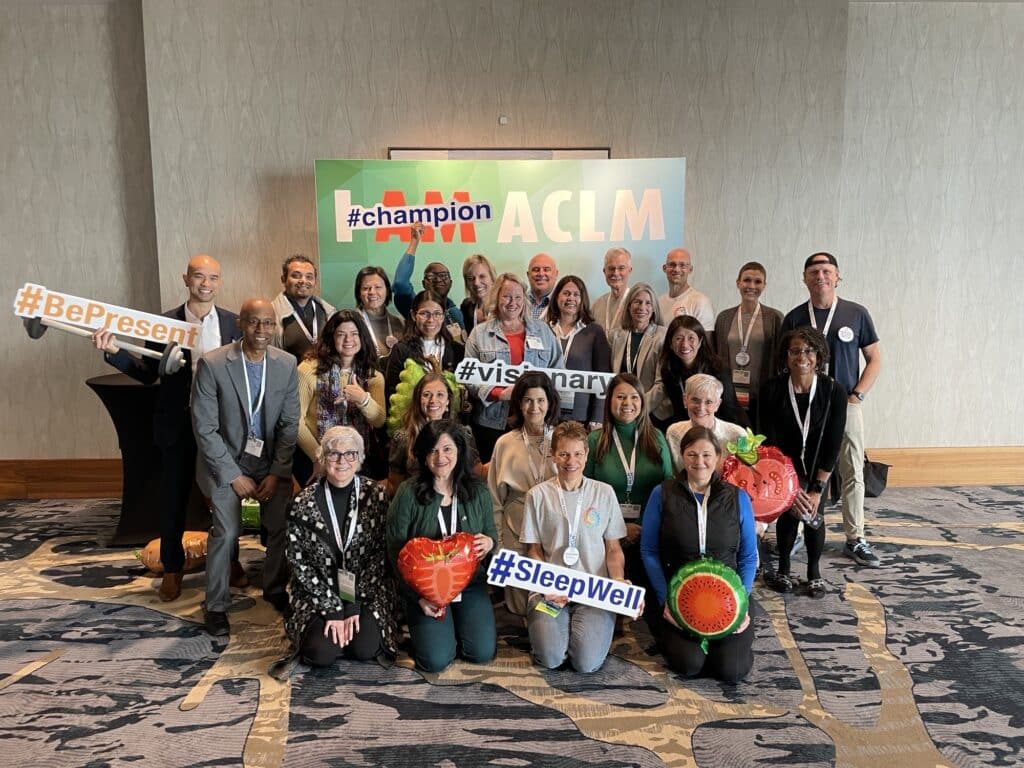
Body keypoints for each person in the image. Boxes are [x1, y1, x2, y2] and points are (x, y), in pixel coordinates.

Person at [91, 254, 243, 602]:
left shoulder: (234, 323)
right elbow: (148, 373)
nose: (207, 284)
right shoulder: (161, 324)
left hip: (221, 428)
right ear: (186, 278)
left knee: (225, 498)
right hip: (177, 424)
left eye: (214, 278)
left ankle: (232, 562)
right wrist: (114, 351)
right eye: (199, 276)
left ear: (220, 282)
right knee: (173, 498)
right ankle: (172, 569)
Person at [191, 298, 299, 636]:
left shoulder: (286, 363)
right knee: (226, 532)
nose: (262, 330)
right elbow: (204, 428)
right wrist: (232, 474)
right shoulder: (213, 364)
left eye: (268, 323)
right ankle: (217, 605)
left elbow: (289, 424)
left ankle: (275, 588)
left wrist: (277, 472)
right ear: (240, 323)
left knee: (281, 525)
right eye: (254, 322)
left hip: (269, 464)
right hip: (225, 462)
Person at [781, 252, 882, 568]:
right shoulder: (795, 317)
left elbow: (875, 359)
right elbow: (785, 362)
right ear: (804, 278)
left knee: (852, 468)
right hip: (806, 406)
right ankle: (797, 531)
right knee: (801, 469)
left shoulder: (856, 314)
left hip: (845, 403)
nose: (820, 276)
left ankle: (856, 538)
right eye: (813, 271)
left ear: (837, 276)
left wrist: (857, 396)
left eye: (826, 271)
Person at [641, 426, 757, 682]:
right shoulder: (662, 493)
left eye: (706, 455)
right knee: (689, 665)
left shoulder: (737, 498)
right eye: (692, 455)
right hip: (678, 597)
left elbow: (749, 556)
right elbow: (649, 551)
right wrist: (665, 600)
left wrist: (742, 601)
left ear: (718, 457)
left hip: (728, 598)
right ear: (682, 456)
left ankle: (724, 646)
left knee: (732, 670)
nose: (699, 462)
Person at [387, 421, 497, 673]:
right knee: (435, 661)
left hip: (468, 585)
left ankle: (457, 626)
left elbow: (491, 534)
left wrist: (489, 543)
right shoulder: (407, 493)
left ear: (459, 452)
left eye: (447, 449)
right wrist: (417, 598)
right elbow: (394, 551)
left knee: (481, 653)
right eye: (433, 451)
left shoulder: (478, 491)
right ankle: (436, 633)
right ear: (424, 456)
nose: (441, 457)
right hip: (424, 591)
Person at [520, 421, 628, 673]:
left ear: (586, 455)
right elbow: (533, 550)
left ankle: (583, 630)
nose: (571, 461)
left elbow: (613, 548)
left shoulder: (604, 493)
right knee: (550, 658)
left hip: (593, 589)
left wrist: (619, 579)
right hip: (550, 588)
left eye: (578, 453)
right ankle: (553, 628)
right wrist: (544, 585)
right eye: (564, 454)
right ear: (553, 455)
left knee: (586, 663)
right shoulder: (537, 495)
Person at [284, 426, 397, 667]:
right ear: (322, 459)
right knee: (321, 654)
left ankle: (353, 626)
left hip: (367, 589)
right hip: (318, 590)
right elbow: (298, 562)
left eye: (350, 454)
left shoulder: (376, 495)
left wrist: (354, 603)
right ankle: (330, 627)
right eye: (334, 454)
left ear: (360, 459)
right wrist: (332, 609)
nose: (342, 461)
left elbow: (380, 555)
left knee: (365, 648)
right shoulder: (301, 503)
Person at [758, 328, 848, 598]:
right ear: (786, 356)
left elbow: (833, 442)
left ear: (819, 356)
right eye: (795, 351)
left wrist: (817, 489)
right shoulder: (771, 390)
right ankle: (784, 569)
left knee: (813, 516)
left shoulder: (834, 391)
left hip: (818, 467)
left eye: (809, 351)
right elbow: (767, 442)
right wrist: (788, 488)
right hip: (782, 468)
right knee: (788, 514)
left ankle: (813, 572)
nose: (802, 357)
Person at [584, 373, 672, 605]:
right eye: (620, 396)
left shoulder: (656, 438)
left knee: (653, 601)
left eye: (634, 397)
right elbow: (585, 495)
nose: (627, 403)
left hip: (648, 532)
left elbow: (668, 490)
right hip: (603, 534)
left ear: (642, 402)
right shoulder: (594, 441)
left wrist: (642, 526)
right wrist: (618, 529)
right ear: (609, 400)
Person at [464, 273, 562, 461]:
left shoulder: (542, 331)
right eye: (507, 296)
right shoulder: (480, 333)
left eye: (518, 297)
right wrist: (498, 393)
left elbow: (558, 372)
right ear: (497, 298)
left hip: (536, 420)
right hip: (492, 423)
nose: (513, 302)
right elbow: (470, 377)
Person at [487, 372, 560, 615]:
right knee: (518, 607)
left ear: (549, 403)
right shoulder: (504, 442)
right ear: (519, 403)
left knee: (549, 601)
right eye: (528, 400)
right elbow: (495, 498)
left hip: (553, 528)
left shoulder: (561, 440)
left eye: (540, 400)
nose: (534, 407)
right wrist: (498, 542)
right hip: (514, 526)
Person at [296, 310, 386, 483]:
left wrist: (363, 400)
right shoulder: (308, 370)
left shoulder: (372, 376)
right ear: (331, 337)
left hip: (357, 460)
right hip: (315, 457)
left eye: (354, 334)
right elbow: (296, 421)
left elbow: (379, 420)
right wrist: (319, 456)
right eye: (341, 335)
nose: (348, 340)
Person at [713, 262, 784, 423]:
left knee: (760, 444)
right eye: (746, 280)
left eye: (757, 281)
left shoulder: (775, 318)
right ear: (738, 283)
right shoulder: (724, 318)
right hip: (730, 396)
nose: (751, 286)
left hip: (763, 396)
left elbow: (780, 359)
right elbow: (716, 357)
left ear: (764, 286)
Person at [648, 316, 747, 430]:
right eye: (679, 338)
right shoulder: (669, 370)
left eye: (691, 338)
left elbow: (729, 410)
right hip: (694, 428)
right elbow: (680, 410)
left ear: (700, 342)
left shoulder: (717, 368)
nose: (684, 344)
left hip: (728, 427)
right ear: (670, 343)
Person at [387, 373, 481, 492]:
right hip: (417, 503)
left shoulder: (464, 434)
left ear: (448, 401)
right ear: (418, 400)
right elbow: (396, 484)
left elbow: (475, 477)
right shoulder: (403, 437)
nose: (433, 400)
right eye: (426, 395)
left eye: (440, 395)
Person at [546, 275, 611, 427]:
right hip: (546, 410)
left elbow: (603, 377)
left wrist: (597, 417)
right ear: (557, 297)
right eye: (566, 293)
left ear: (583, 299)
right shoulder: (544, 329)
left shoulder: (594, 331)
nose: (571, 298)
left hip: (580, 414)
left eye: (576, 294)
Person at [384, 290, 464, 404]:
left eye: (437, 314)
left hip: (448, 418)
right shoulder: (401, 350)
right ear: (413, 315)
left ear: (443, 316)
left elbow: (461, 391)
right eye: (424, 313)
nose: (431, 320)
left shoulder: (457, 350)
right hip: (411, 417)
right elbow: (392, 394)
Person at [392, 223, 465, 338]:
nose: (438, 279)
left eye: (444, 275)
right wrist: (415, 241)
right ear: (424, 284)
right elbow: (400, 283)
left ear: (451, 283)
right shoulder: (416, 307)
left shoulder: (456, 313)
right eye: (432, 276)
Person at [665, 374, 747, 474]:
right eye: (695, 400)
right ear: (685, 400)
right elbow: (672, 475)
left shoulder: (739, 435)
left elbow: (747, 475)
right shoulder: (673, 433)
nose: (701, 408)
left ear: (717, 405)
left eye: (708, 402)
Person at [272, 254, 336, 362]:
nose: (303, 281)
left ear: (315, 281)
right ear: (283, 280)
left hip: (324, 375)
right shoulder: (271, 313)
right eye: (296, 276)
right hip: (290, 377)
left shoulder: (328, 312)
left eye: (309, 277)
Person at [607, 282, 665, 394]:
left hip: (650, 407)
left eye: (648, 303)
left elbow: (661, 384)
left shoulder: (662, 336)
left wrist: (642, 407)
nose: (642, 307)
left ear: (654, 308)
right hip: (622, 404)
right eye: (637, 302)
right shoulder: (614, 336)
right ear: (629, 306)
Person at [354, 266, 404, 361]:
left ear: (387, 291)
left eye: (378, 287)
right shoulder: (352, 323)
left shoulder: (400, 323)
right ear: (359, 293)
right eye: (366, 288)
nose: (372, 292)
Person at [657, 248, 715, 332]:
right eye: (672, 264)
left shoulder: (701, 302)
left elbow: (706, 341)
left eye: (682, 265)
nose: (677, 269)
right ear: (664, 268)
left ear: (690, 269)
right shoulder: (659, 302)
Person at [591, 247, 633, 333]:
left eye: (621, 268)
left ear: (630, 270)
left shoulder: (638, 302)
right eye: (611, 268)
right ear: (604, 271)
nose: (616, 273)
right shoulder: (597, 305)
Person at [459, 254, 496, 336]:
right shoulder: (466, 307)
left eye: (482, 276)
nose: (476, 283)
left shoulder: (503, 307)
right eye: (471, 278)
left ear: (492, 278)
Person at [526, 252, 558, 320]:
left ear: (556, 274)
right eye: (536, 270)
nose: (541, 274)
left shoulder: (563, 303)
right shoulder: (518, 302)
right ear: (528, 275)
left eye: (546, 269)